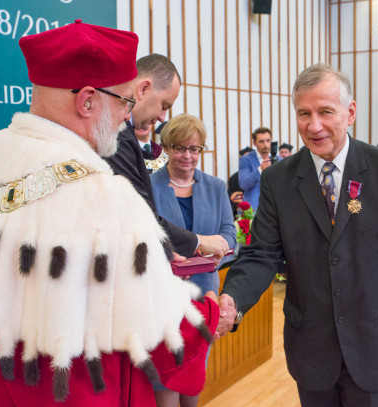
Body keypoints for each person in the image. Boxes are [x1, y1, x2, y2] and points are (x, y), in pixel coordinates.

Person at [0, 20, 219, 407]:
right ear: (88, 101)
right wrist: (214, 312)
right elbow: (164, 331)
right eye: (126, 102)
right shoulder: (102, 196)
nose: (126, 117)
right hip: (67, 397)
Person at [217, 63, 378, 407]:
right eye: (304, 113)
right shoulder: (279, 180)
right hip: (311, 346)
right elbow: (261, 255)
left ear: (350, 113)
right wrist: (232, 298)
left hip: (374, 344)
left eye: (325, 112)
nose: (313, 125)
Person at [150, 114, 236, 407]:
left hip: (205, 296)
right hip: (161, 294)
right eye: (180, 148)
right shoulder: (149, 187)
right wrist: (200, 245)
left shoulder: (215, 186)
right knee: (166, 372)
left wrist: (220, 248)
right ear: (165, 148)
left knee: (195, 368)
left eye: (195, 149)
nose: (188, 156)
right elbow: (147, 237)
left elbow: (229, 233)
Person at [105, 54, 228, 259]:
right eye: (164, 105)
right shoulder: (116, 133)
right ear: (144, 88)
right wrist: (199, 241)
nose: (163, 117)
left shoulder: (124, 132)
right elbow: (137, 212)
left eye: (194, 149)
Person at [239, 127, 273, 211]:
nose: (265, 145)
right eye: (261, 141)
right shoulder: (246, 159)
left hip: (273, 208)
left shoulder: (278, 160)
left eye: (268, 140)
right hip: (253, 209)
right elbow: (243, 184)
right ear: (254, 143)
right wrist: (260, 170)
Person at [228, 147, 253, 217]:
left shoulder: (261, 174)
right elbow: (230, 196)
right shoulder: (234, 178)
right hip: (240, 211)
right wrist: (237, 207)